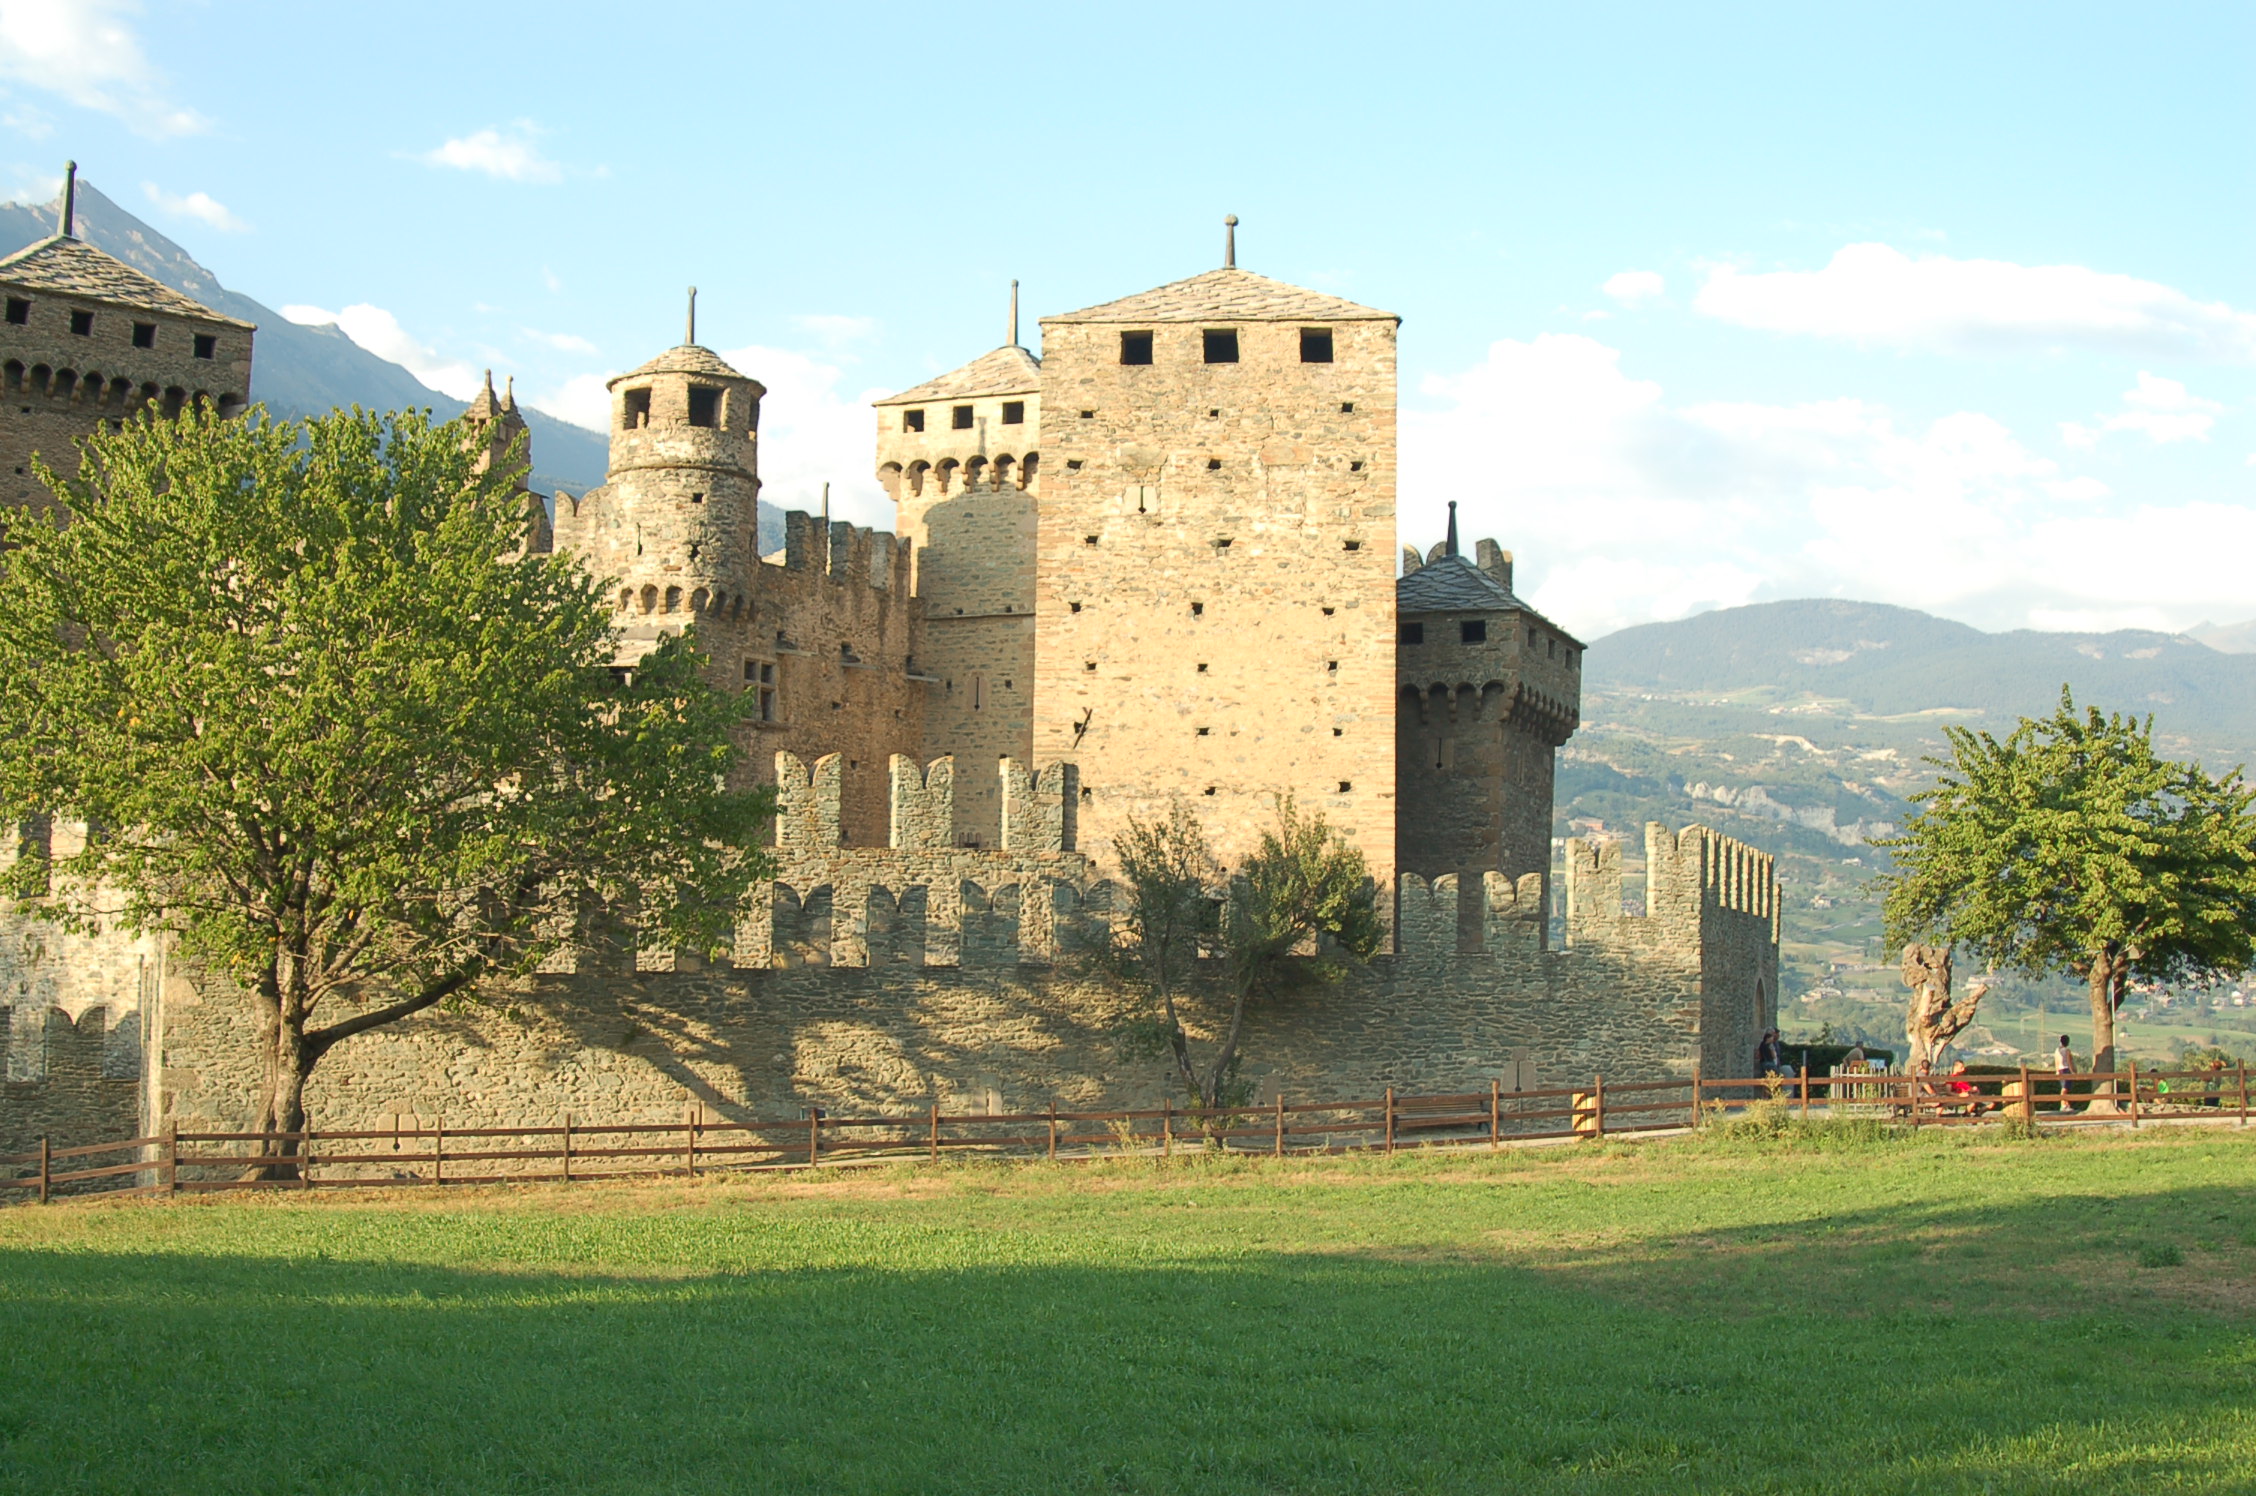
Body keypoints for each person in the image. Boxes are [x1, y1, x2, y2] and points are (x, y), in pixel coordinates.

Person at [2054, 1034, 2077, 1113]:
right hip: (2066, 1069)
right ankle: (2063, 1104)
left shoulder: (2057, 1050)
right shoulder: (2067, 1050)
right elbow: (2069, 1061)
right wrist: (2072, 1071)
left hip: (2060, 1070)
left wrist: (2057, 1070)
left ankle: (2065, 1104)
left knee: (2063, 1087)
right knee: (2065, 1088)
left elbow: (2056, 1061)